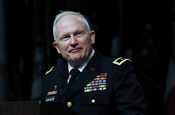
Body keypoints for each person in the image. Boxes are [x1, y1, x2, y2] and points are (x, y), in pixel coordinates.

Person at [41, 11, 147, 115]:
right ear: (57, 47)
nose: (73, 42)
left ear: (92, 37)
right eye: (65, 37)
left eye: (78, 34)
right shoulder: (51, 78)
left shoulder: (116, 71)